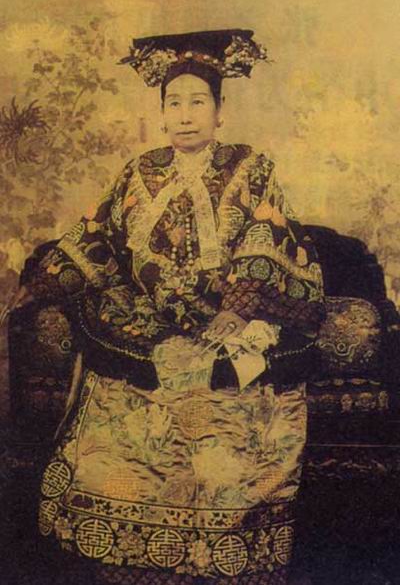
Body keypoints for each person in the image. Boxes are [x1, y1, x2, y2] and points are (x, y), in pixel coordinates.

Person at [16, 30, 326, 584]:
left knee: (230, 406)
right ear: (162, 114)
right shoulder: (139, 171)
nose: (185, 115)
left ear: (220, 112)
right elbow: (98, 234)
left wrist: (237, 307)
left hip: (228, 315)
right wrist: (42, 282)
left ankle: (223, 540)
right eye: (174, 103)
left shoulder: (250, 166)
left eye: (198, 102)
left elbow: (266, 233)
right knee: (125, 403)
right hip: (148, 318)